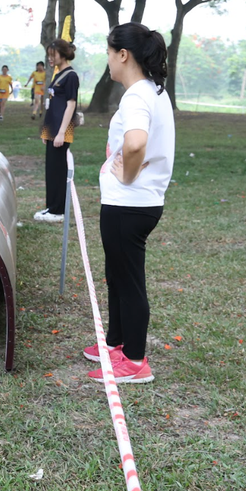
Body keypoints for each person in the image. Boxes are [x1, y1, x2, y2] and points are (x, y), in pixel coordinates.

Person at [84, 23, 175, 384]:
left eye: (109, 52)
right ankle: (117, 343)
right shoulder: (153, 90)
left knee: (129, 281)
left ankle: (135, 361)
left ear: (123, 55)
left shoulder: (137, 94)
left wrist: (127, 176)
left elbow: (136, 143)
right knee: (118, 276)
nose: (108, 60)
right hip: (134, 204)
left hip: (130, 204)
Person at [35, 39, 80, 223]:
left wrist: (61, 132)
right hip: (51, 128)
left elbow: (71, 105)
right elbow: (52, 104)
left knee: (59, 170)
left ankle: (59, 211)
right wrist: (46, 131)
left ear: (63, 53)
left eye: (53, 55)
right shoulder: (57, 74)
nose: (50, 58)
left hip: (62, 130)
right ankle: (51, 206)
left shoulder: (71, 76)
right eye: (49, 55)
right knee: (51, 170)